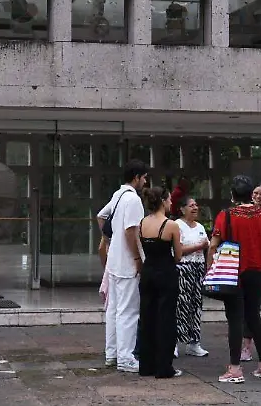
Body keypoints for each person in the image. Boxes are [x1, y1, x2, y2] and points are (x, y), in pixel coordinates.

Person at [211, 175, 261, 384]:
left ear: (233, 195)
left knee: (235, 318)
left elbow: (213, 244)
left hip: (234, 271)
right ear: (249, 194)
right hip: (259, 271)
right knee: (254, 315)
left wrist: (210, 266)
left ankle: (235, 369)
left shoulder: (226, 215)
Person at [96, 159, 148, 373]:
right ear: (136, 177)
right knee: (128, 311)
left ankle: (112, 354)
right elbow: (130, 231)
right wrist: (137, 258)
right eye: (144, 177)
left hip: (113, 261)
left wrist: (110, 241)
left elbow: (101, 216)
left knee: (114, 310)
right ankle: (126, 358)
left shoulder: (118, 195)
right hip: (127, 263)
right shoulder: (133, 200)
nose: (145, 181)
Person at [137, 186, 184, 378]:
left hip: (148, 272)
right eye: (170, 200)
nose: (172, 203)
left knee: (147, 317)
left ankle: (146, 365)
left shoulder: (142, 223)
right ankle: (164, 367)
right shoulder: (171, 225)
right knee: (166, 319)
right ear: (163, 201)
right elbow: (179, 256)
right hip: (165, 273)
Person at [240, 183, 261, 362]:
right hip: (247, 265)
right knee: (249, 309)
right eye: (255, 193)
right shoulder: (244, 212)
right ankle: (246, 347)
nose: (258, 197)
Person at [174, 196, 211, 358]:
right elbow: (178, 250)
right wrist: (198, 246)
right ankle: (173, 341)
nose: (195, 208)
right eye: (191, 205)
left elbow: (208, 246)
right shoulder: (177, 225)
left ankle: (194, 342)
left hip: (198, 268)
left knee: (196, 305)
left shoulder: (200, 227)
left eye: (196, 205)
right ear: (182, 209)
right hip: (183, 268)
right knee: (180, 305)